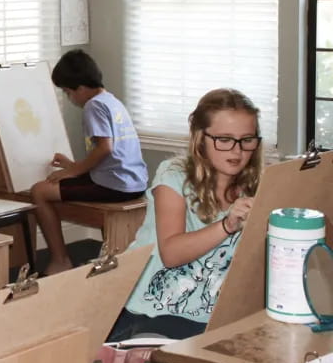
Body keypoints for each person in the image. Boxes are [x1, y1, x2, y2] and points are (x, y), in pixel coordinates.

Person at [107, 88, 262, 342]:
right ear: (201, 138)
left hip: (214, 311)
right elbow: (171, 253)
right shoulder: (173, 175)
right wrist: (227, 224)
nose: (237, 151)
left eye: (247, 140)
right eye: (224, 139)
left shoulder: (254, 186)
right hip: (153, 310)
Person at [31, 50, 148, 274]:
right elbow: (111, 154)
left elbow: (105, 148)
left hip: (114, 185)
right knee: (55, 186)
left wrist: (74, 171)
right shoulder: (111, 101)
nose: (69, 98)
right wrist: (71, 166)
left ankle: (60, 260)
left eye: (67, 92)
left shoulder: (92, 106)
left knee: (39, 192)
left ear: (81, 89)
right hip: (134, 180)